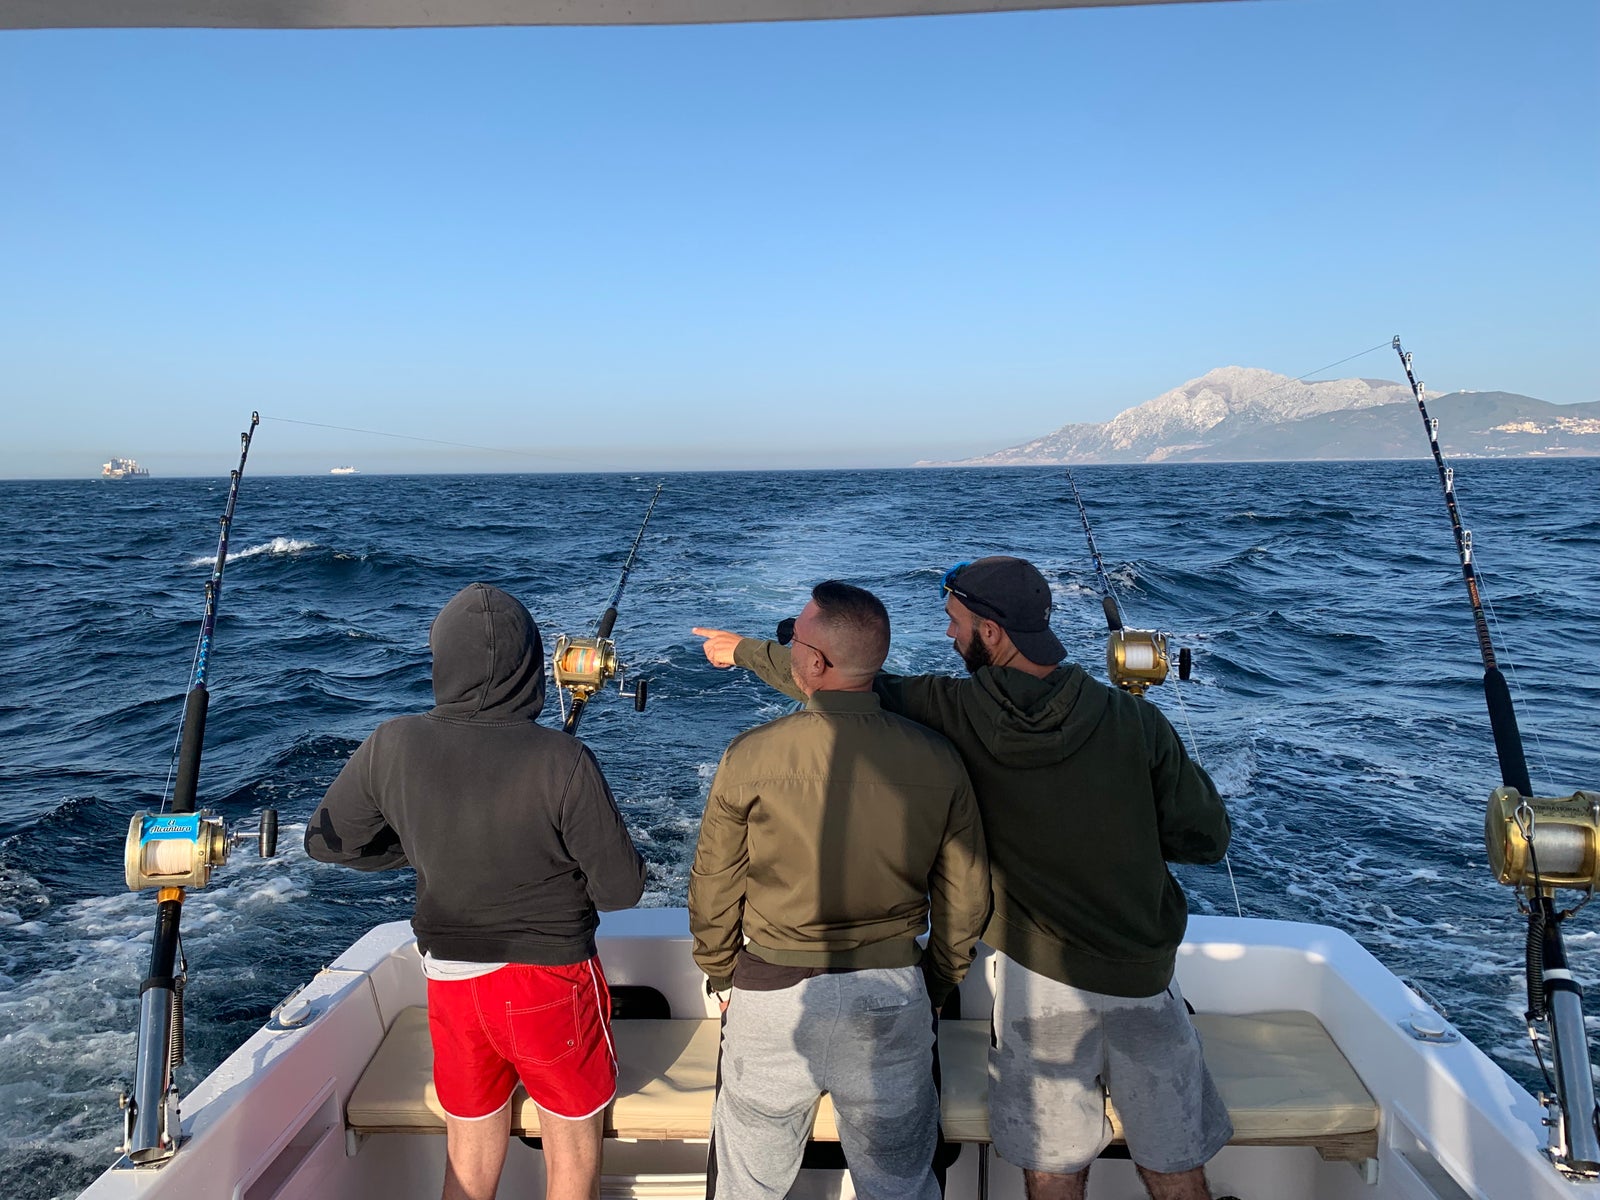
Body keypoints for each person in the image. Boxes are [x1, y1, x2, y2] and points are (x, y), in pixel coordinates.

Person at [693, 556, 1233, 1200]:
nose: (949, 634)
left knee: (1053, 1168)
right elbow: (1205, 840)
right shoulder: (1135, 722)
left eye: (955, 622)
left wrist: (745, 651)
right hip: (1141, 978)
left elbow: (850, 684)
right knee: (1176, 1162)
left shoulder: (952, 713)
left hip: (1039, 980)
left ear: (992, 632)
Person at [307, 582, 646, 1200]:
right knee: (571, 1155)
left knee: (466, 1154)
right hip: (551, 985)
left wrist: (420, 843)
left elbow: (328, 842)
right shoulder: (563, 758)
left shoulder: (392, 742)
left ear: (442, 659)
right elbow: (621, 889)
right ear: (533, 663)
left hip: (453, 987)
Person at [690, 580, 991, 1200]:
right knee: (901, 1189)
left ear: (815, 663)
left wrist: (721, 975)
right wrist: (934, 986)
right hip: (892, 1000)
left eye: (794, 642)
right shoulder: (939, 760)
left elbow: (714, 885)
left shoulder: (750, 755)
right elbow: (965, 899)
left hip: (771, 1000)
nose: (790, 650)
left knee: (747, 1188)